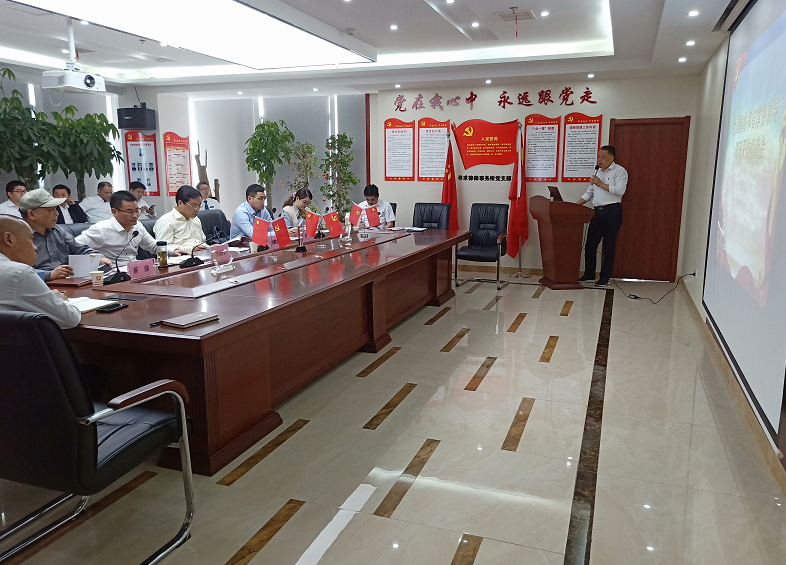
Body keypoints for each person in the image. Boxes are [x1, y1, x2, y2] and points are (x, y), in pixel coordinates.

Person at [0, 215, 81, 329]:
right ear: (9, 239)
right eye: (31, 239)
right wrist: (60, 299)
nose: (35, 248)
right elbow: (70, 319)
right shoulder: (19, 273)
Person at [20, 189, 111, 281]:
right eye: (50, 210)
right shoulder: (18, 237)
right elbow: (17, 270)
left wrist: (99, 259)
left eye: (55, 209)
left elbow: (80, 249)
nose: (57, 214)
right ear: (31, 214)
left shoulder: (58, 231)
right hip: (38, 284)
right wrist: (49, 275)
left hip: (68, 281)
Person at [577, 145, 628, 286]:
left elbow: (620, 190)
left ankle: (605, 277)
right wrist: (575, 206)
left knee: (608, 246)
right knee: (590, 245)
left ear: (612, 157)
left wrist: (600, 184)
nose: (599, 160)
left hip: (612, 212)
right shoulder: (597, 172)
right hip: (597, 212)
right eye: (599, 157)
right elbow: (589, 193)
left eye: (603, 157)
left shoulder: (620, 171)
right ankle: (589, 274)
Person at [75, 190, 162, 267]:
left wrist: (170, 250)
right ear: (114, 212)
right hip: (113, 273)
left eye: (136, 210)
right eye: (129, 212)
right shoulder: (102, 229)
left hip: (135, 271)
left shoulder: (137, 226)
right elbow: (74, 247)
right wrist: (98, 259)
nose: (135, 215)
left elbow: (152, 246)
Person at [153, 185, 207, 254]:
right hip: (181, 258)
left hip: (200, 256)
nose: (197, 209)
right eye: (194, 206)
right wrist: (191, 249)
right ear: (180, 203)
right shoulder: (166, 221)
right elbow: (163, 248)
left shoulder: (195, 219)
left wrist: (210, 248)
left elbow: (202, 241)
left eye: (199, 206)